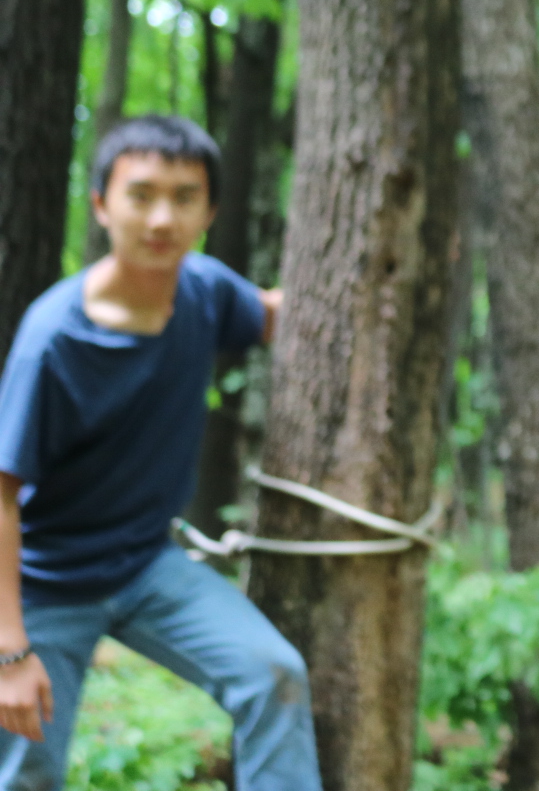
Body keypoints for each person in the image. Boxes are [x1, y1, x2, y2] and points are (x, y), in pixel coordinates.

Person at [0, 116, 320, 790]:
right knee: (27, 768)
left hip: (148, 567)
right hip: (43, 587)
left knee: (275, 676)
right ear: (101, 205)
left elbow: (282, 314)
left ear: (210, 211)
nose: (161, 217)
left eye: (184, 196)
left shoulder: (205, 289)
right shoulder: (53, 340)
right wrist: (9, 653)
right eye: (140, 194)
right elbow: (1, 495)